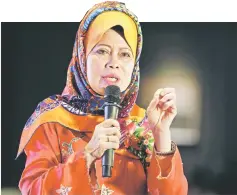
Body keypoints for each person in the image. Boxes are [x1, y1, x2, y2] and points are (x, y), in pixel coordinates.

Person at [17, 1, 188, 195]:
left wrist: (162, 134)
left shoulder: (144, 125)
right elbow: (32, 190)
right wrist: (88, 155)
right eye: (102, 51)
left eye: (124, 54)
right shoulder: (51, 120)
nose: (113, 63)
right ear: (82, 56)